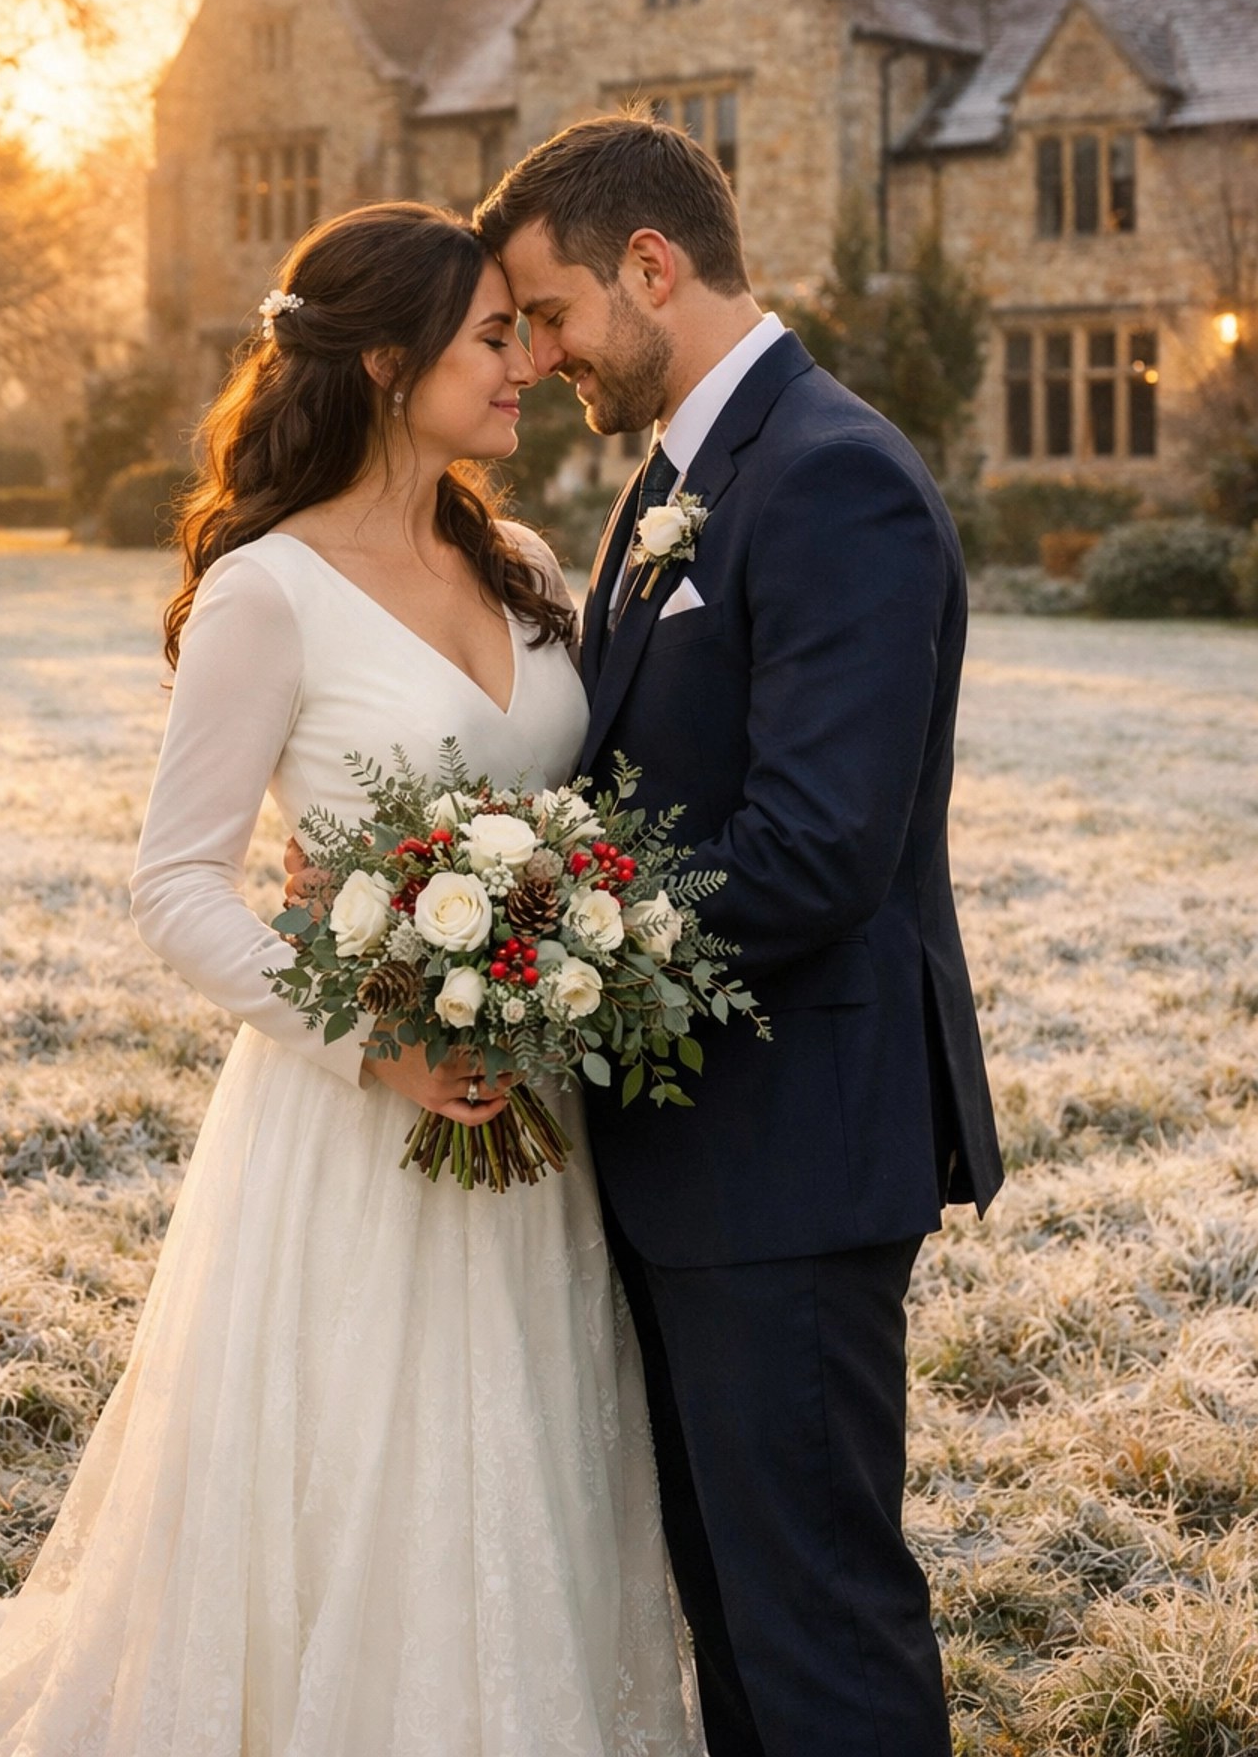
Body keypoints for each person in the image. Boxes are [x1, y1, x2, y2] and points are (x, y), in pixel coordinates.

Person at [0, 206, 699, 1757]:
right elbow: (177, 882)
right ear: (390, 364)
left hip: (541, 1112)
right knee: (364, 1470)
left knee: (526, 1458)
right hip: (360, 1124)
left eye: (525, 334)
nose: (529, 363)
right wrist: (378, 1042)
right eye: (490, 340)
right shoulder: (269, 590)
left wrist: (563, 950)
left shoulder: (515, 562)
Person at [476, 115, 1005, 1757]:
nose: (542, 355)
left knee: (817, 1615)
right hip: (697, 1146)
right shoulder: (676, 479)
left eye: (551, 314)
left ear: (654, 266)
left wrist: (553, 957)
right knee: (731, 1604)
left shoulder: (830, 474)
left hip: (795, 1143)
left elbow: (816, 851)